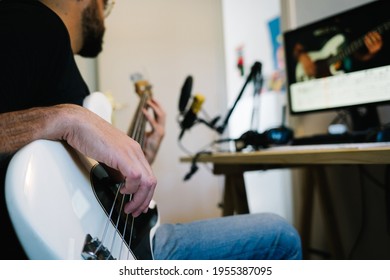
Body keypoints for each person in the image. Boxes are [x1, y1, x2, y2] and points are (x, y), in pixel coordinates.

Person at [0, 0, 302, 260]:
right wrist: (66, 118)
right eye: (107, 5)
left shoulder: (57, 61)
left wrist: (142, 156)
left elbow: (75, 190)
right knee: (280, 237)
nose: (105, 16)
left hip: (109, 238)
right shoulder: (32, 23)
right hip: (83, 248)